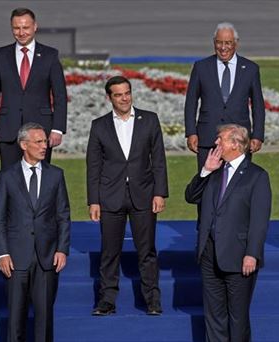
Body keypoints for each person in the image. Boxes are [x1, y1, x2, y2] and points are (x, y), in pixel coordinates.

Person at [87, 76, 168, 316]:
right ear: (109, 97)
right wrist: (94, 200)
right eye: (119, 94)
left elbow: (159, 161)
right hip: (110, 197)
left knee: (147, 251)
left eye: (127, 93)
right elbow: (93, 166)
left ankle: (152, 300)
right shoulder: (99, 125)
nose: (124, 98)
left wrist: (160, 193)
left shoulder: (150, 120)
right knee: (109, 252)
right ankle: (107, 301)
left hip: (143, 195)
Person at [185, 124, 271, 341]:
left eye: (220, 139)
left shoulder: (257, 176)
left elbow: (259, 220)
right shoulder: (214, 171)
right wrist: (205, 171)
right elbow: (191, 197)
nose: (215, 143)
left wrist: (252, 253)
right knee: (214, 317)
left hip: (239, 255)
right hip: (209, 254)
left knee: (238, 317)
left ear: (235, 144)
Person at [0, 122, 71, 342]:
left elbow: (63, 215)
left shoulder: (56, 175)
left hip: (47, 257)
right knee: (16, 317)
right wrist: (3, 253)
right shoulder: (7, 176)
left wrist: (62, 250)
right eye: (39, 142)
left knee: (44, 317)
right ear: (23, 144)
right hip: (16, 257)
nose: (44, 146)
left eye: (45, 141)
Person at [0, 7, 67, 170]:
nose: (21, 32)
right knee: (9, 181)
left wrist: (57, 128)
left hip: (41, 131)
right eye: (16, 28)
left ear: (35, 27)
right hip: (9, 130)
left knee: (40, 182)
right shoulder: (1, 55)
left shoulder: (50, 55)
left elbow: (60, 95)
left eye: (26, 27)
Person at [184, 22, 266, 169]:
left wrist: (258, 135)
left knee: (238, 188)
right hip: (208, 138)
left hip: (238, 141)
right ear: (214, 42)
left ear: (236, 43)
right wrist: (191, 132)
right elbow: (191, 102)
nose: (223, 47)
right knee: (206, 187)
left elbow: (258, 105)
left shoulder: (250, 69)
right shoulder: (201, 67)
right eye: (219, 42)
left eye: (228, 43)